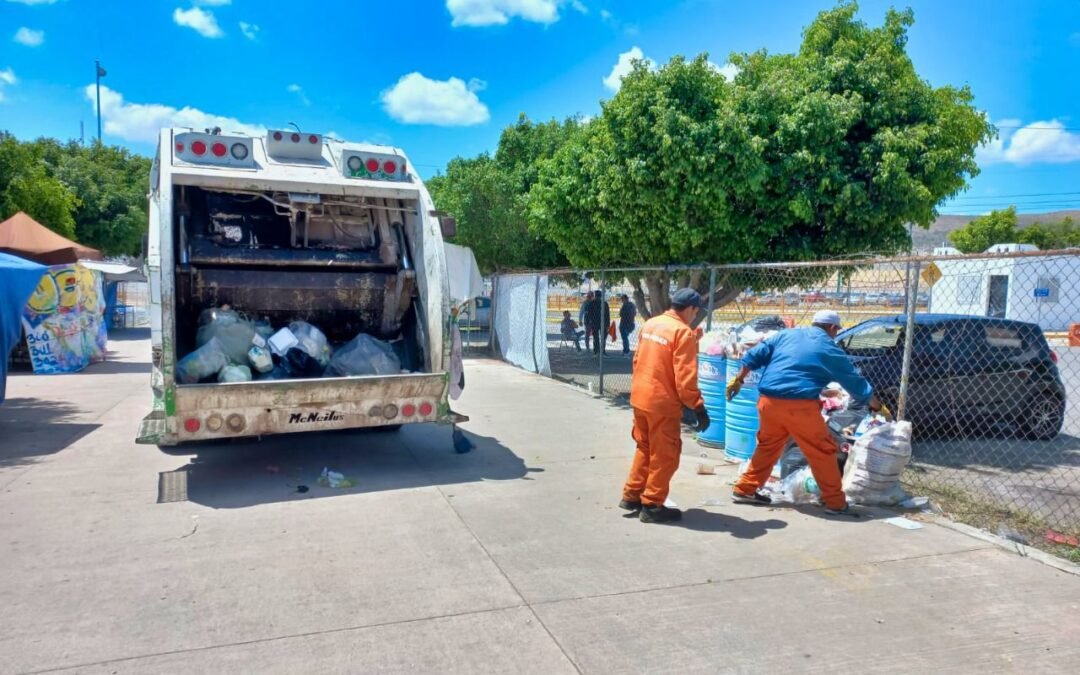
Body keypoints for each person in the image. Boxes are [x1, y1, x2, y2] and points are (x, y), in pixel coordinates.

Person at [726, 309, 883, 516]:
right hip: (799, 407)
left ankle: (745, 489)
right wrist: (875, 404)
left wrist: (738, 379)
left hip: (768, 403)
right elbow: (853, 380)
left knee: (768, 446)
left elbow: (753, 355)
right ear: (833, 328)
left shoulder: (785, 335)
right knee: (821, 451)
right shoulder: (829, 348)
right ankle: (835, 502)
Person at [620, 289, 710, 524]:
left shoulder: (652, 324)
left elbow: (638, 359)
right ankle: (652, 505)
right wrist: (697, 406)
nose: (695, 315)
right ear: (690, 308)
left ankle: (632, 495)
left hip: (640, 396)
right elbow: (685, 378)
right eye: (696, 311)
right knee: (665, 454)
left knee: (644, 447)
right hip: (661, 403)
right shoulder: (682, 332)